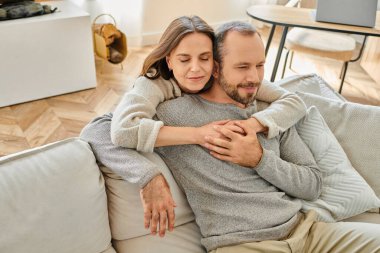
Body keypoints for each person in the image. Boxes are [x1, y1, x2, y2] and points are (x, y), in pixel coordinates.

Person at [81, 20, 380, 253]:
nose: (254, 77)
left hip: (312, 233)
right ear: (216, 68)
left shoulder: (271, 113)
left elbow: (312, 185)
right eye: (242, 67)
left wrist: (260, 159)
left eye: (260, 66)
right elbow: (97, 129)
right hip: (242, 245)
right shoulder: (172, 112)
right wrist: (148, 176)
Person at [109, 15, 307, 155]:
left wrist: (252, 125)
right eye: (184, 59)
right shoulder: (153, 84)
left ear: (216, 63)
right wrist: (198, 134)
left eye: (204, 58)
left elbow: (293, 101)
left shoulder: (224, 78)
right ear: (169, 61)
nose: (196, 69)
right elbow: (122, 130)